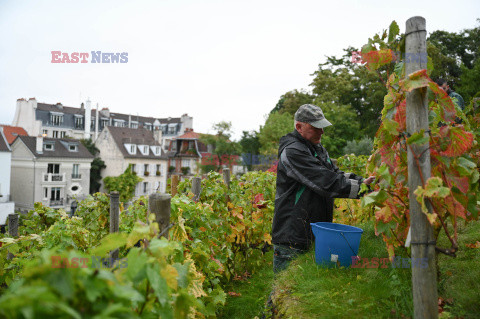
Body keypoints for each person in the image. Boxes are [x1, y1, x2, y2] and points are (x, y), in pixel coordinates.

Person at [271, 104, 375, 273]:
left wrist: (364, 182)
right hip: (292, 236)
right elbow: (325, 182)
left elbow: (335, 174)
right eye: (316, 127)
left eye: (322, 127)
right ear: (299, 127)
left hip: (311, 233)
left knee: (302, 291)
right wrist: (364, 190)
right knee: (283, 291)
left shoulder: (317, 149)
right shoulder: (293, 152)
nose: (322, 132)